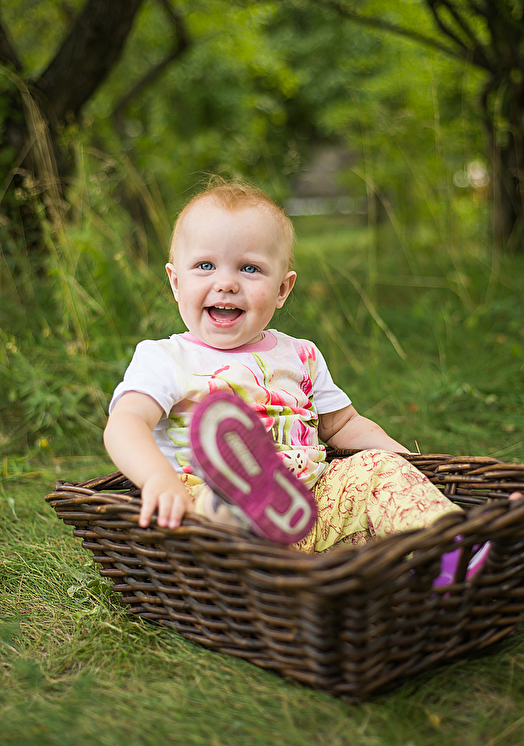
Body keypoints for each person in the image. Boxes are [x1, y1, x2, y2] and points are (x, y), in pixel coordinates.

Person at [103, 179, 497, 580]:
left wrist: (409, 464)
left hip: (312, 506)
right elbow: (126, 422)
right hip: (215, 511)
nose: (226, 283)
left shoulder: (299, 354)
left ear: (282, 289)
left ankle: (451, 549)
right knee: (205, 503)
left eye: (250, 268)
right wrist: (158, 479)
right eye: (205, 266)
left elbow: (342, 425)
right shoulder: (166, 358)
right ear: (176, 282)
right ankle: (236, 516)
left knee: (378, 469)